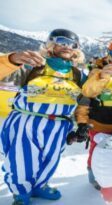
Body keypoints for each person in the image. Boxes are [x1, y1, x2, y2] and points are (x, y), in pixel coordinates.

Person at [0, 29, 85, 205]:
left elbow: (85, 100)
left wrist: (81, 124)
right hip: (27, 122)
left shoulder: (77, 74)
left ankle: (39, 185)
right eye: (61, 42)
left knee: (51, 159)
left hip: (59, 125)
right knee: (21, 161)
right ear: (50, 44)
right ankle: (21, 193)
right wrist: (12, 59)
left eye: (72, 44)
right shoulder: (34, 66)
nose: (67, 47)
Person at [71, 40, 112, 190]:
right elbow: (87, 93)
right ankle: (94, 177)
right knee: (97, 150)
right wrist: (102, 76)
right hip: (100, 121)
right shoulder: (97, 70)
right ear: (109, 53)